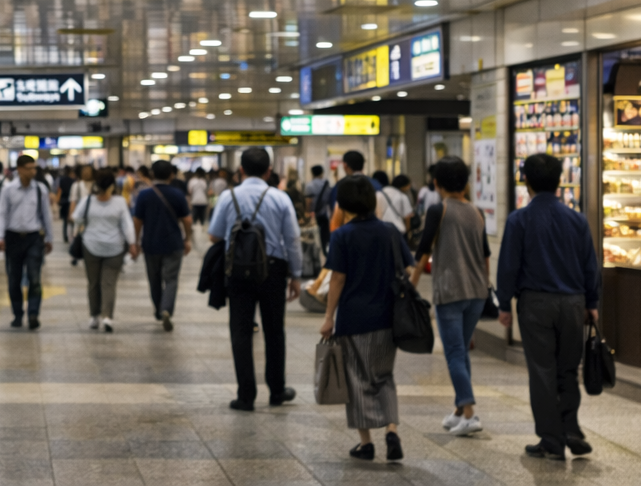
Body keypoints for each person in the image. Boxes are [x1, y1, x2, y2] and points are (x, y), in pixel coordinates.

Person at [497, 152, 601, 460]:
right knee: (568, 369)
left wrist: (503, 303)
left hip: (535, 304)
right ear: (559, 182)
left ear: (525, 181)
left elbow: (508, 266)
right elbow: (590, 264)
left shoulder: (519, 219)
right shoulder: (576, 219)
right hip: (573, 303)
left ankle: (551, 438)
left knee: (542, 371)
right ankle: (571, 427)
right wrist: (591, 302)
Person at [320, 174, 414, 463]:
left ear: (343, 205)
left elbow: (337, 279)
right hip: (388, 318)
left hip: (354, 318)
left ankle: (366, 443)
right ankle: (392, 430)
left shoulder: (342, 235)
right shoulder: (390, 232)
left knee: (357, 379)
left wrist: (328, 318)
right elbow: (408, 271)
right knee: (384, 376)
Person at [208, 148, 302, 411]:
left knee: (240, 331)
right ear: (269, 171)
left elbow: (214, 235)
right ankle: (277, 390)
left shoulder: (228, 197)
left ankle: (245, 395)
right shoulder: (280, 198)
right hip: (273, 270)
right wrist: (296, 275)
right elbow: (292, 239)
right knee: (274, 330)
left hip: (237, 271)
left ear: (241, 170)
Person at [410, 156, 491, 437]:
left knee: (454, 352)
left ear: (436, 183)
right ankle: (459, 410)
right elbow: (485, 256)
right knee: (461, 350)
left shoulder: (438, 210)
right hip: (477, 293)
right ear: (466, 183)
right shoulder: (477, 211)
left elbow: (423, 251)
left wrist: (412, 284)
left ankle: (470, 414)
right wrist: (485, 284)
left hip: (451, 291)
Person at [133, 159, 194, 331]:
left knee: (154, 279)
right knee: (171, 279)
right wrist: (187, 238)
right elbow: (187, 219)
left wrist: (136, 242)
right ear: (171, 175)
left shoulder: (144, 195)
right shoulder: (177, 194)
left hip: (150, 244)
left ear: (152, 174)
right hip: (173, 243)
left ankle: (159, 310)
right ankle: (167, 308)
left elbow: (137, 220)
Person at [73, 167, 136, 331]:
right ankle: (107, 317)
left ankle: (95, 316)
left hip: (92, 246)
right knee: (108, 284)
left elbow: (76, 217)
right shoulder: (120, 202)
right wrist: (132, 243)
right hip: (114, 246)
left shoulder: (88, 200)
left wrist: (88, 225)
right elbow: (127, 224)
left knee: (94, 283)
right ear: (112, 186)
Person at [0, 155, 53, 330]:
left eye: (34, 168)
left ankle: (33, 313)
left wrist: (49, 238)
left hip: (34, 237)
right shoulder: (8, 190)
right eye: (29, 168)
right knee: (14, 278)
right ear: (19, 169)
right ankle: (18, 314)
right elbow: (1, 213)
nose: (33, 171)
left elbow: (46, 215)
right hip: (13, 238)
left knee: (35, 277)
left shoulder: (40, 189)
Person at [57, 166, 76, 242]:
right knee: (72, 220)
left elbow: (59, 190)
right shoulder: (73, 181)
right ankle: (73, 235)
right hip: (71, 201)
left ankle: (65, 236)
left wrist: (58, 200)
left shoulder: (62, 180)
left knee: (65, 221)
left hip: (64, 201)